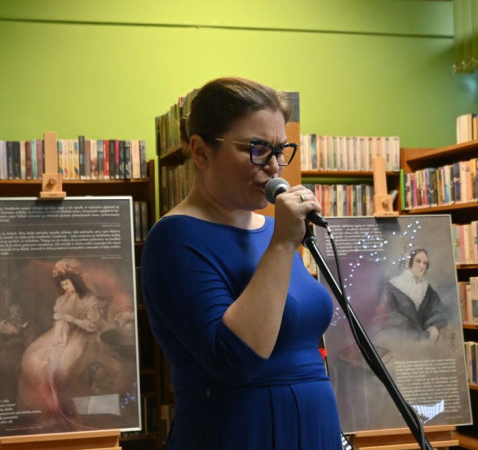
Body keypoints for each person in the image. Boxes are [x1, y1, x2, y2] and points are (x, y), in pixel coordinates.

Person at [141, 77, 342, 449]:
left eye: (280, 150)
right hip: (239, 434)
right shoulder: (175, 237)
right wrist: (282, 245)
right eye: (257, 149)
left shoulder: (273, 231)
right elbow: (234, 360)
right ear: (201, 151)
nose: (274, 166)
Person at [17, 259, 124, 428]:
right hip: (62, 334)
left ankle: (69, 410)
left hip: (84, 336)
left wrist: (70, 319)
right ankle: (45, 408)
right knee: (32, 357)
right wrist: (60, 329)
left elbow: (91, 325)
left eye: (67, 283)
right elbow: (59, 321)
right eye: (63, 285)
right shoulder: (63, 299)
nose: (66, 287)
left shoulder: (89, 299)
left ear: (75, 281)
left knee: (63, 368)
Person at [371, 248, 448, 344]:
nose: (422, 266)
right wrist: (420, 335)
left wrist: (435, 326)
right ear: (409, 262)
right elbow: (387, 319)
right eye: (418, 261)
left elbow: (439, 312)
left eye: (425, 263)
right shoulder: (392, 286)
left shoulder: (427, 288)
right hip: (399, 339)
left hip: (424, 340)